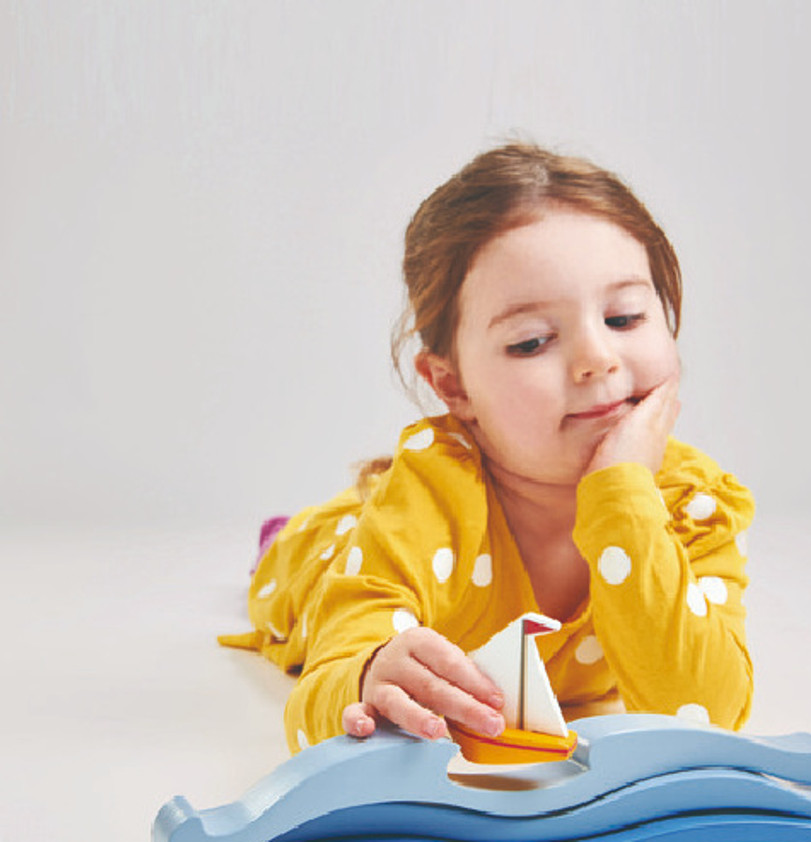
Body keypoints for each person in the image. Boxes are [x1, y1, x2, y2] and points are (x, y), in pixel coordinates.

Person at [219, 142, 755, 755]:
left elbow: (706, 715)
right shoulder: (430, 502)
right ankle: (287, 539)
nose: (597, 360)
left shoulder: (693, 503)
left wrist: (621, 496)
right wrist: (367, 675)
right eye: (531, 343)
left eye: (625, 318)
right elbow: (317, 703)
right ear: (451, 384)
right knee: (303, 568)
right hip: (337, 555)